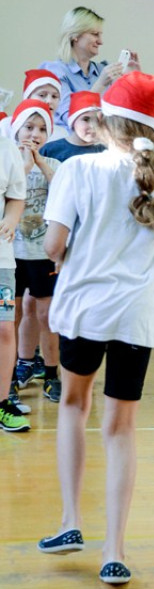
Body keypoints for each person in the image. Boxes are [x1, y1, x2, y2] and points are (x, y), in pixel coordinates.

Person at [37, 71, 154, 584]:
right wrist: (150, 255)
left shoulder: (79, 171)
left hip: (85, 309)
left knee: (73, 404)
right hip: (136, 315)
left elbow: (52, 246)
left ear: (104, 122)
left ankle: (71, 522)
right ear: (153, 131)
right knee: (121, 427)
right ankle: (115, 550)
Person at [10, 99, 62, 404]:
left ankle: (52, 374)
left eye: (42, 128)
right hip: (11, 257)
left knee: (47, 315)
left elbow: (66, 193)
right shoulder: (6, 161)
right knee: (13, 315)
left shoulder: (54, 165)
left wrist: (40, 164)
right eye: (29, 127)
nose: (35, 133)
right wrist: (23, 167)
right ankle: (17, 369)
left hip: (43, 254)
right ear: (17, 129)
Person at [39, 7, 138, 132]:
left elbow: (127, 117)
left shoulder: (102, 70)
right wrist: (100, 85)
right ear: (75, 35)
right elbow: (72, 119)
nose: (101, 41)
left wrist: (133, 79)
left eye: (100, 35)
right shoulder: (55, 71)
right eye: (95, 34)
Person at [0, 136, 28, 432]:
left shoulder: (5, 146)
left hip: (1, 261)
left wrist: (10, 219)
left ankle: (2, 402)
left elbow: (16, 196)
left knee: (4, 327)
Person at [40, 91, 106, 161]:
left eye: (98, 120)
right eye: (86, 119)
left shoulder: (105, 153)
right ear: (73, 121)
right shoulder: (49, 151)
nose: (93, 126)